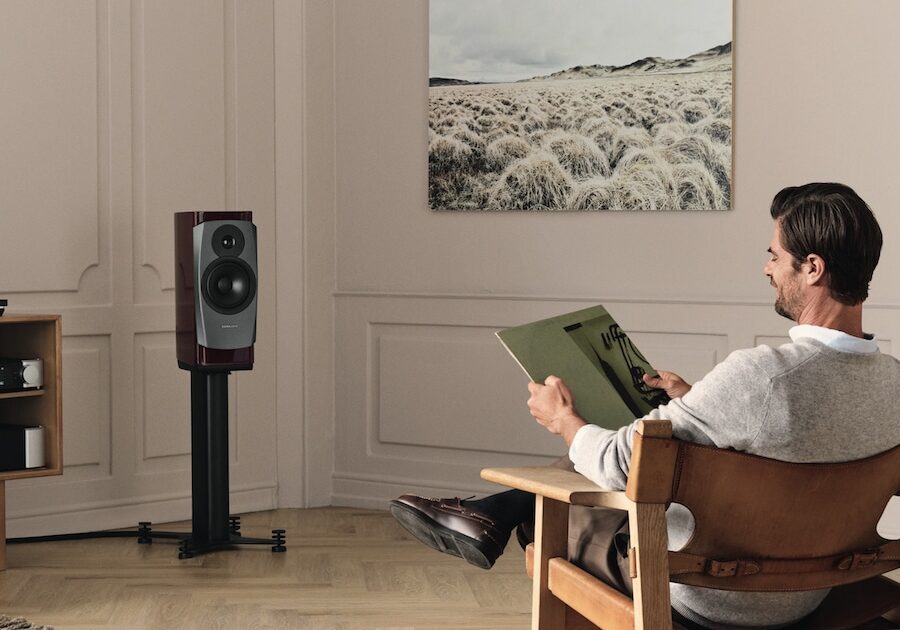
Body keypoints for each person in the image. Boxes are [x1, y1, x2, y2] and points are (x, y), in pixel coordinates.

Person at [390, 182, 900, 628]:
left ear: (812, 268)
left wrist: (564, 419)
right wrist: (692, 400)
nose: (766, 268)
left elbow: (616, 464)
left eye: (774, 255)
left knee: (556, 500)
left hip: (702, 596)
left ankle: (493, 517)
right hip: (808, 596)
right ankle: (487, 516)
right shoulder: (893, 385)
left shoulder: (760, 377)